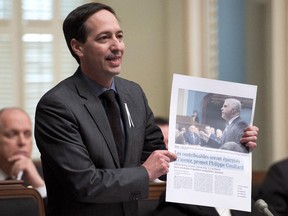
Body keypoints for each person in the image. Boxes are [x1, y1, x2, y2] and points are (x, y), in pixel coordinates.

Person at [34, 3, 176, 216]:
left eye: (119, 36)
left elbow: (162, 159)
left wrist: (232, 149)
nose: (117, 46)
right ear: (78, 47)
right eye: (104, 38)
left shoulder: (133, 94)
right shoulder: (56, 106)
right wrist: (144, 173)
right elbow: (85, 183)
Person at [0, 107, 46, 199]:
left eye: (27, 134)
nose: (22, 142)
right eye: (12, 134)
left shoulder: (50, 175)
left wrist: (39, 187)